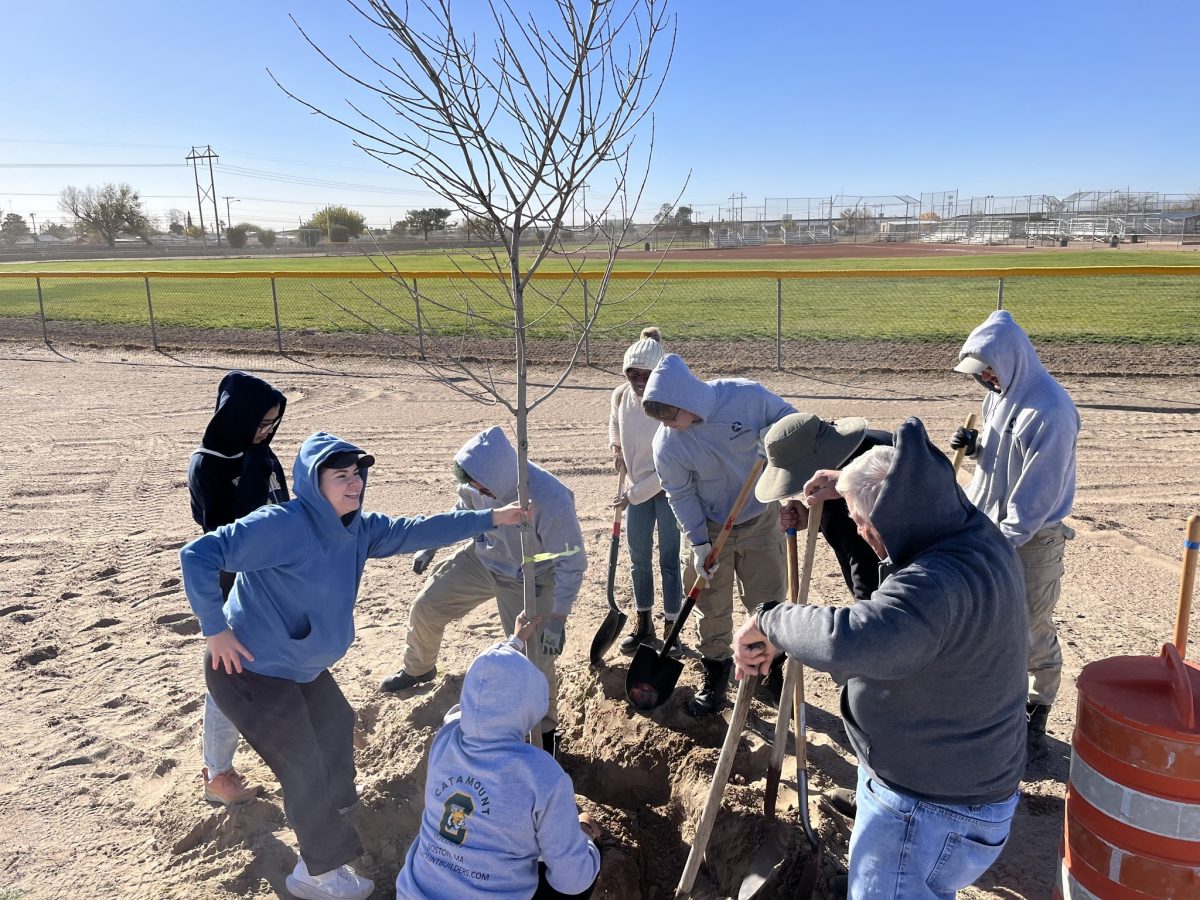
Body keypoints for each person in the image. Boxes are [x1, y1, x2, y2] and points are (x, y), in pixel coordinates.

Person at [181, 432, 529, 900]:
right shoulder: (282, 525)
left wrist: (491, 517)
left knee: (336, 725)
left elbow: (417, 530)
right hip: (250, 669)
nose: (354, 484)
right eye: (340, 476)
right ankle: (316, 874)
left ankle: (335, 814)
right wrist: (214, 626)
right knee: (301, 763)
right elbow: (199, 555)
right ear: (313, 482)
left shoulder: (358, 528)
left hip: (299, 668)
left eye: (357, 474)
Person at [733, 418, 1027, 899]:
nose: (856, 529)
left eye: (860, 522)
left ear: (885, 522)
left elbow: (850, 640)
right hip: (945, 780)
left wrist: (769, 619)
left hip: (928, 810)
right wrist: (843, 485)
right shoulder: (967, 527)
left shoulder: (933, 587)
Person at [379, 426, 587, 751]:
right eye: (471, 485)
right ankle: (419, 668)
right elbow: (463, 511)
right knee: (426, 607)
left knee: (536, 659)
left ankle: (544, 737)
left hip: (530, 575)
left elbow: (571, 561)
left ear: (502, 478)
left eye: (481, 487)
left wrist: (558, 618)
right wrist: (432, 544)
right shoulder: (477, 482)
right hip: (485, 558)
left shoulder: (550, 497)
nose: (476, 491)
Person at [394, 616, 602, 900]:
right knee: (579, 871)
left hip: (413, 893)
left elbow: (484, 695)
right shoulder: (542, 775)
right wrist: (584, 834)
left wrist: (513, 643)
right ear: (532, 705)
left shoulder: (446, 739)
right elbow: (572, 881)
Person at [951, 309, 1079, 765]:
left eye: (987, 370)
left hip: (1031, 538)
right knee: (984, 621)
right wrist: (973, 447)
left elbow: (1034, 498)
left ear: (1009, 359)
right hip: (989, 527)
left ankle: (1035, 716)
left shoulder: (1052, 412)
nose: (984, 380)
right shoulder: (999, 395)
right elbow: (998, 459)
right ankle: (992, 709)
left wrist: (998, 544)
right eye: (979, 374)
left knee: (1028, 626)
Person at [641, 353, 795, 717]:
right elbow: (679, 493)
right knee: (710, 607)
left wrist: (771, 440)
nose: (667, 424)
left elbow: (793, 420)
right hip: (710, 527)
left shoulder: (746, 397)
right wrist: (697, 542)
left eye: (669, 415)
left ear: (687, 399)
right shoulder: (668, 444)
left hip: (760, 516)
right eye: (660, 418)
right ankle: (716, 678)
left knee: (768, 600)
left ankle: (770, 673)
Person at [187, 370, 290, 805]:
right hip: (234, 589)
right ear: (238, 416)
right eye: (260, 423)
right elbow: (219, 536)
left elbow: (282, 506)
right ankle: (218, 772)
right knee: (229, 674)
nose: (265, 432)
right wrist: (248, 482)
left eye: (272, 424)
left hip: (277, 582)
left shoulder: (262, 454)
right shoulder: (209, 464)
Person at [753, 412, 893, 704]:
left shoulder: (853, 502)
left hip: (900, 598)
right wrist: (810, 517)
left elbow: (867, 576)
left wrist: (866, 632)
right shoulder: (879, 443)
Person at [607, 327, 682, 656]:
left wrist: (631, 495)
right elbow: (614, 421)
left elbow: (666, 470)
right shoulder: (621, 395)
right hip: (634, 489)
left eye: (644, 374)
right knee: (639, 561)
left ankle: (672, 629)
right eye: (631, 373)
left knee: (668, 561)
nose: (637, 379)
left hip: (666, 494)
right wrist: (615, 446)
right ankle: (643, 624)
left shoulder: (667, 404)